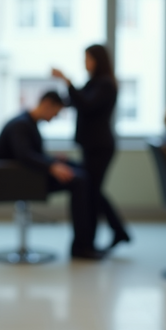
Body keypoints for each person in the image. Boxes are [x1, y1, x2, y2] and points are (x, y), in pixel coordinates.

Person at [0, 91, 104, 260]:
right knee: (79, 181)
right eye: (56, 113)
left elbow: (28, 154)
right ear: (47, 104)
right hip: (14, 181)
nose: (54, 118)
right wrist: (52, 166)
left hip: (22, 177)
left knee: (78, 169)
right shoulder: (21, 125)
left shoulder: (27, 122)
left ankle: (88, 241)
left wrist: (54, 161)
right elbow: (24, 156)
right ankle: (81, 246)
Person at [52, 45, 130, 250]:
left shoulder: (105, 84)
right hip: (92, 145)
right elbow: (75, 101)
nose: (84, 63)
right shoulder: (94, 82)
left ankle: (92, 242)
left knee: (92, 194)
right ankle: (118, 231)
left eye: (87, 58)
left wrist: (67, 81)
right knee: (93, 191)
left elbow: (86, 104)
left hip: (100, 147)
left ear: (98, 60)